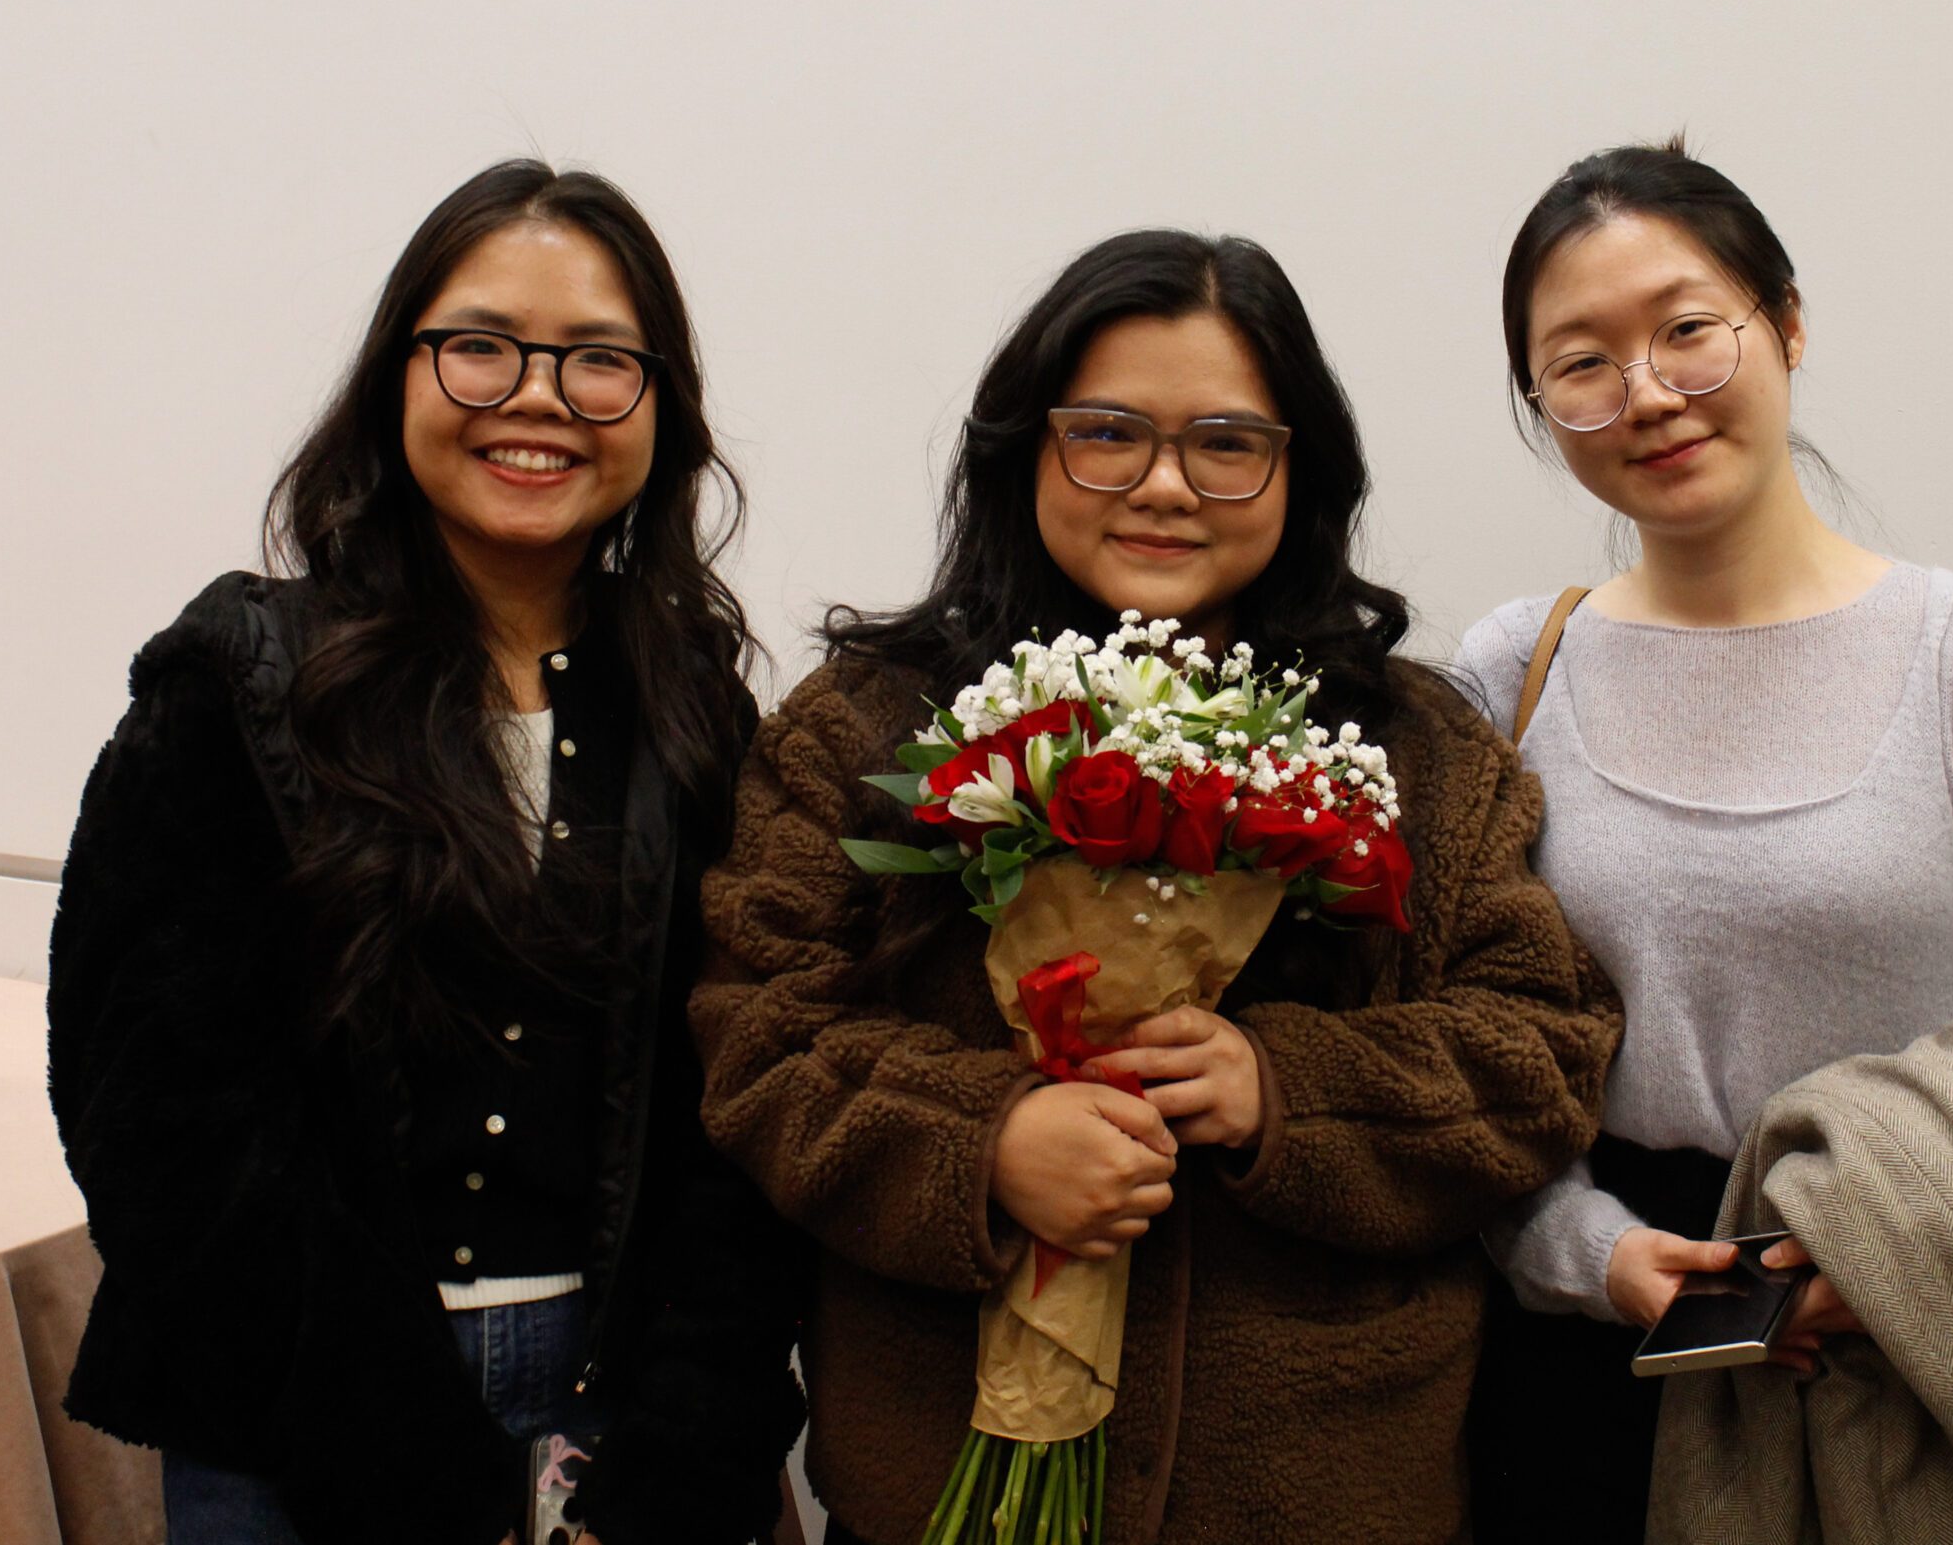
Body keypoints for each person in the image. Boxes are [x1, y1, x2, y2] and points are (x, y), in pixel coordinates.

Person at [689, 229, 1619, 1545]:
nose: (1165, 485)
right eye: (1109, 433)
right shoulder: (866, 727)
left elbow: (1541, 1051)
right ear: (1026, 447)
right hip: (938, 1496)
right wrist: (988, 1140)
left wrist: (1282, 1089)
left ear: (1301, 469)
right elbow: (760, 1034)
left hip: (1324, 1499)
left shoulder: (1419, 747)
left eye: (1227, 442)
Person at [47, 160, 806, 1545]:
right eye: (481, 347)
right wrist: (400, 1455)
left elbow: (734, 1105)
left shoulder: (694, 708)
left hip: (617, 1414)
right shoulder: (238, 682)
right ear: (398, 374)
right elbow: (156, 1118)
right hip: (297, 1417)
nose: (537, 395)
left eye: (597, 361)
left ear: (660, 407)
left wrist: (680, 1452)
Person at [1457, 137, 1953, 1542]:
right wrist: (1589, 1251)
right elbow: (1454, 1046)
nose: (1646, 393)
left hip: (1900, 1342)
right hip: (1587, 1348)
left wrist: (1879, 1257)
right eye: (1581, 362)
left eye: (1687, 330)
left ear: (1786, 321)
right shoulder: (1509, 669)